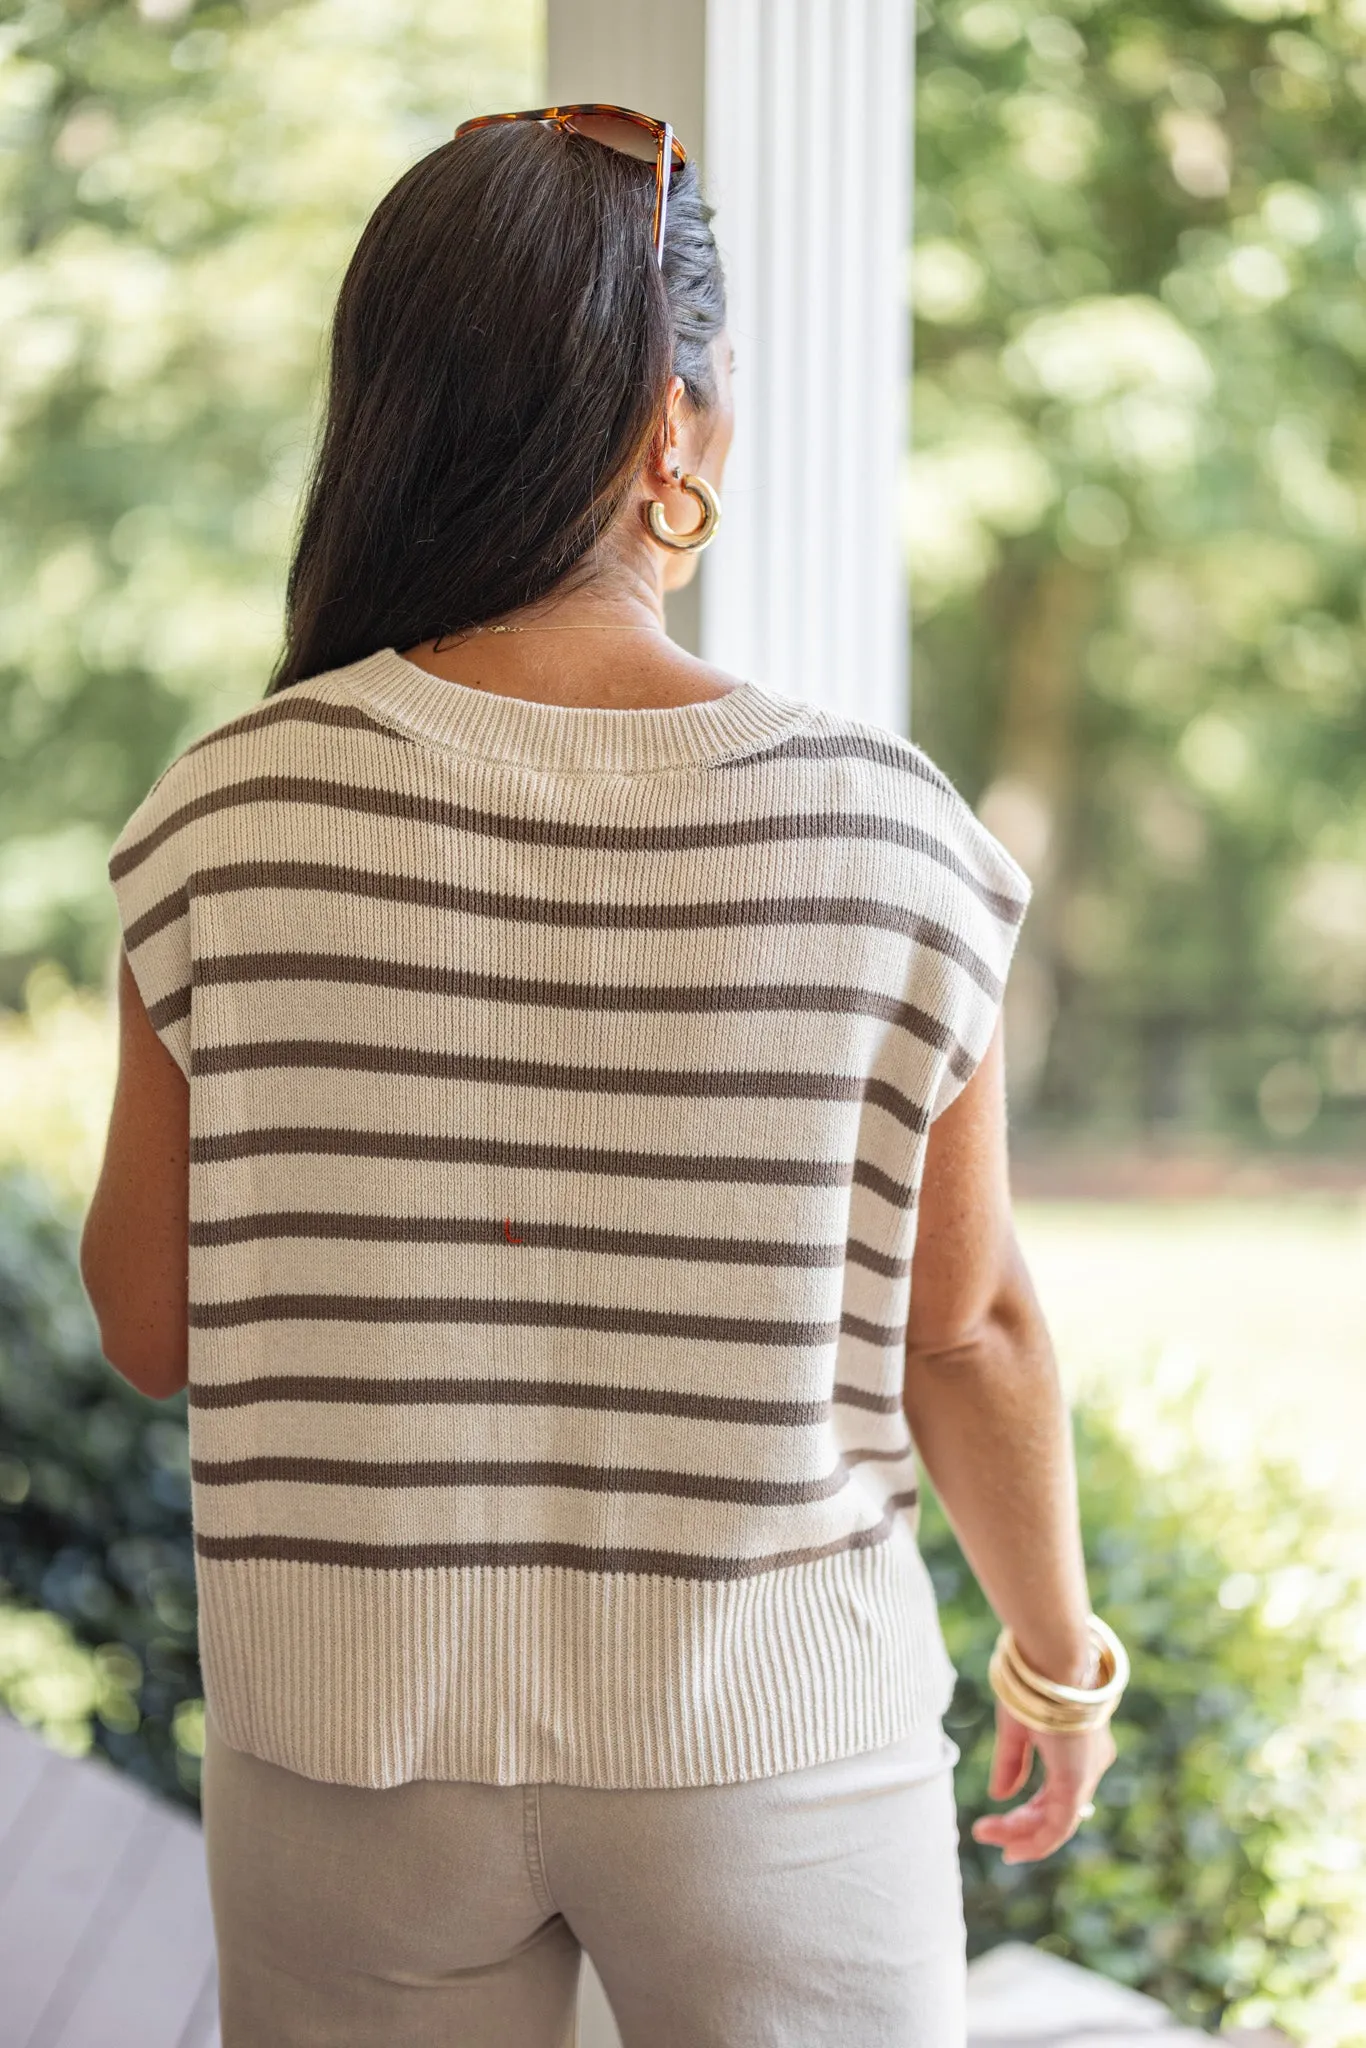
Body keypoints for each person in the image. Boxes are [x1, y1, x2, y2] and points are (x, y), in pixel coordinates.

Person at [80, 105, 1122, 2048]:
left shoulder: (224, 817)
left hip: (345, 1748)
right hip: (770, 1740)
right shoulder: (883, 832)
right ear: (677, 421)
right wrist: (1054, 1663)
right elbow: (963, 1330)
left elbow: (149, 1318)